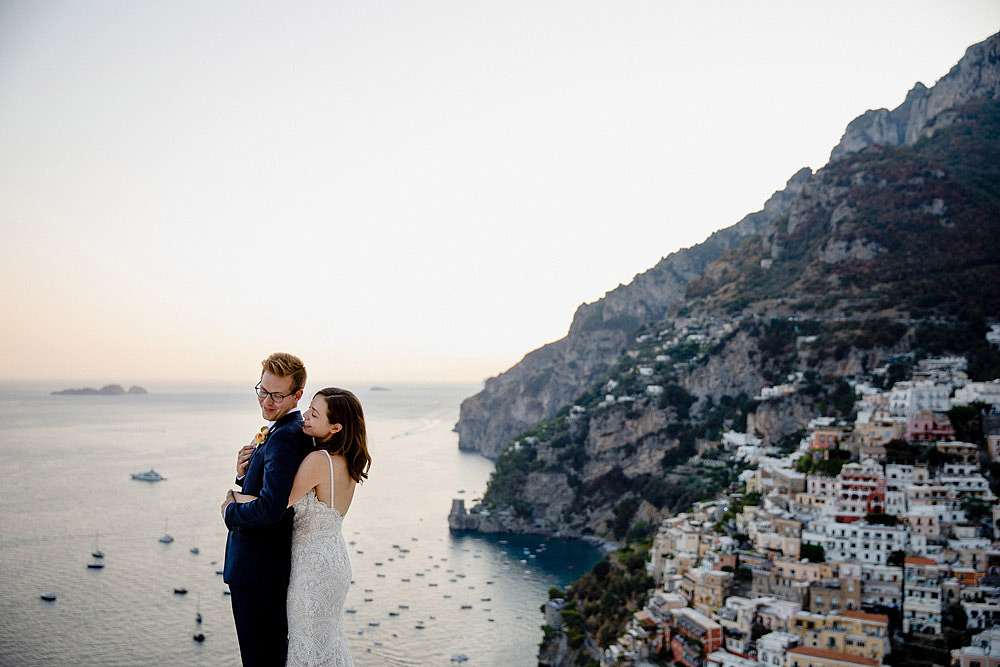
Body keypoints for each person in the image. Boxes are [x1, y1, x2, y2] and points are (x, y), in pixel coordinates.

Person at [231, 387, 371, 667]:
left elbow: (273, 504)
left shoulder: (318, 461)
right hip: (334, 561)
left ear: (336, 427)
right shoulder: (346, 460)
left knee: (306, 646)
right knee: (326, 644)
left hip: (313, 569)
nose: (304, 416)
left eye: (314, 414)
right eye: (308, 408)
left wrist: (231, 502)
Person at [221, 353, 312, 667]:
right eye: (262, 391)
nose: (267, 401)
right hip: (262, 570)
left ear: (297, 395)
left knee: (260, 659)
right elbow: (269, 492)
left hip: (257, 571)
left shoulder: (285, 437)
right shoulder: (282, 431)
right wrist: (242, 475)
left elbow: (273, 508)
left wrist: (230, 513)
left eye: (277, 395)